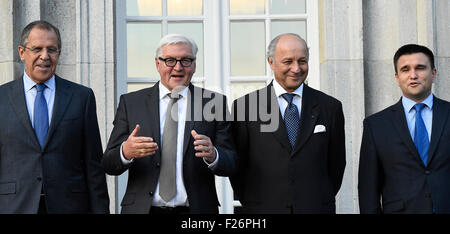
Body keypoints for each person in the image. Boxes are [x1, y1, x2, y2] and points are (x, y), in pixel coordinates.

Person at [102, 34, 236, 214]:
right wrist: (125, 152)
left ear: (194, 65)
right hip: (143, 209)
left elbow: (232, 162)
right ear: (158, 64)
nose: (178, 68)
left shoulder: (214, 103)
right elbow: (109, 164)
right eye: (170, 60)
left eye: (186, 60)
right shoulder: (131, 103)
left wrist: (214, 155)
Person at [0, 20, 109, 214]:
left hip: (70, 206)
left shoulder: (81, 97)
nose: (45, 56)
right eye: (37, 49)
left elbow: (94, 167)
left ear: (59, 53)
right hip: (14, 206)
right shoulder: (2, 98)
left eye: (52, 49)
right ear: (22, 52)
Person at [230, 33, 346, 214]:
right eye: (288, 61)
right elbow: (238, 168)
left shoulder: (330, 107)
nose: (296, 68)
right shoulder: (245, 107)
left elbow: (336, 165)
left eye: (302, 61)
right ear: (270, 62)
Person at [359, 44, 450, 214]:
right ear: (397, 77)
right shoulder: (376, 125)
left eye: (420, 68)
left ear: (434, 73)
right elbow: (368, 189)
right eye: (405, 69)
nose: (413, 75)